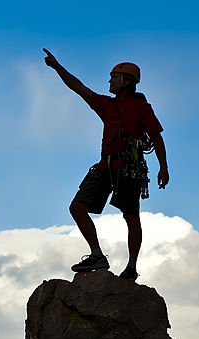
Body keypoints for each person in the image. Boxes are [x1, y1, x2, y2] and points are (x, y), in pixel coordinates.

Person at [43, 48, 169, 280]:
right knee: (77, 207)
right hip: (106, 166)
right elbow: (79, 88)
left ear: (127, 80)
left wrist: (164, 167)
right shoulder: (107, 105)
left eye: (114, 76)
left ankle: (131, 266)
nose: (110, 80)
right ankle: (97, 255)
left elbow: (157, 137)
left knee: (131, 217)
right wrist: (57, 67)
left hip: (129, 170)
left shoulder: (142, 108)